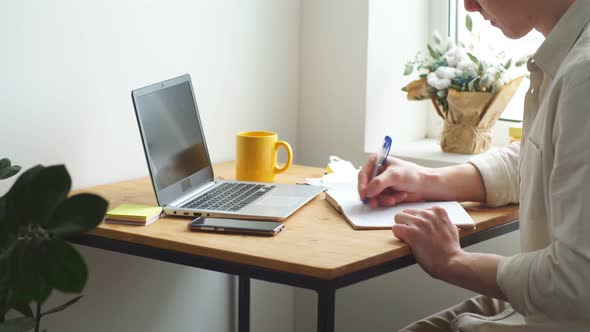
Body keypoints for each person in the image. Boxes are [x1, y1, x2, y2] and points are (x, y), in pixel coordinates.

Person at [357, 0, 590, 331]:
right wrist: (428, 180)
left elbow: (577, 281)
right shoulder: (569, 51)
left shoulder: (583, 75)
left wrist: (454, 262)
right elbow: (541, 154)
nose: (467, 5)